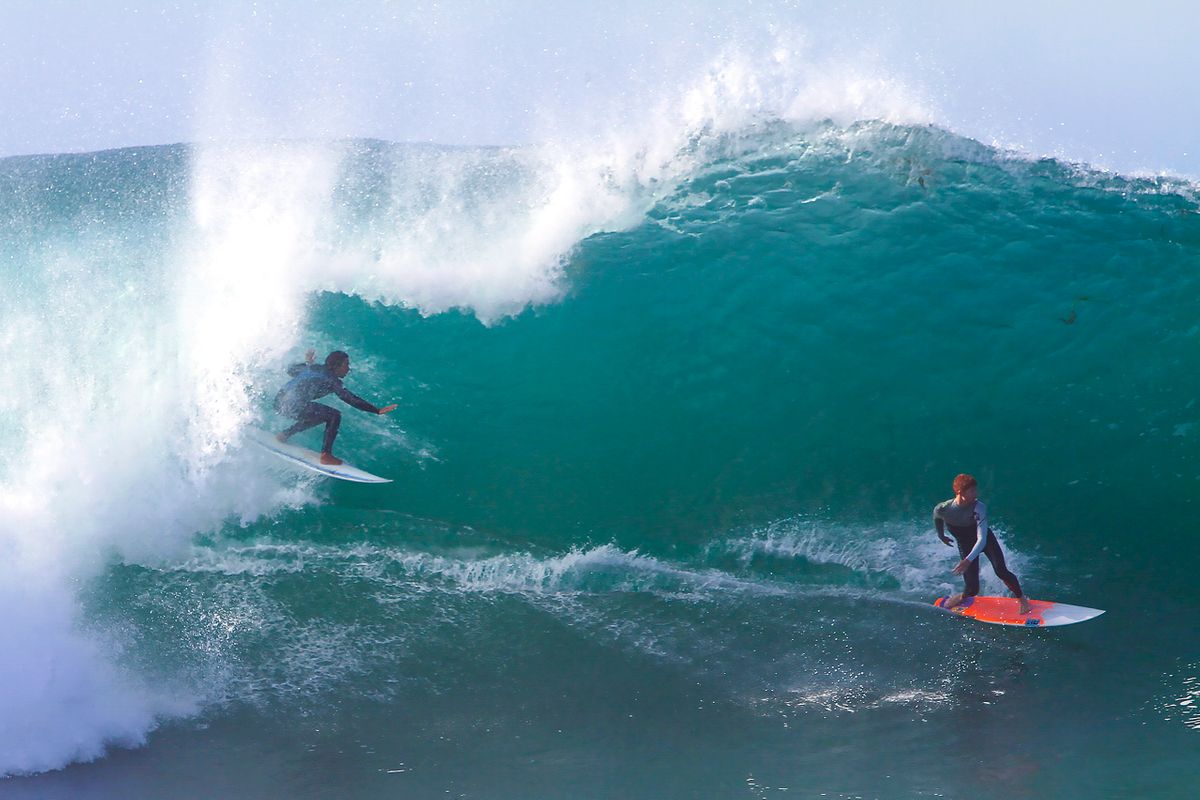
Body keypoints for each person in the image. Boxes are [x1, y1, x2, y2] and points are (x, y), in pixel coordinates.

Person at [274, 349, 397, 465]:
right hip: (292, 405)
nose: (348, 368)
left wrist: (307, 362)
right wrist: (376, 410)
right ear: (336, 366)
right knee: (334, 415)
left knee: (320, 415)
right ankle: (326, 455)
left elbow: (290, 370)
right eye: (346, 364)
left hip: (279, 402)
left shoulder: (314, 367)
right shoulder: (332, 380)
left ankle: (284, 435)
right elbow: (350, 399)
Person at [933, 473, 1032, 614]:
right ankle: (961, 597)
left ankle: (1022, 599)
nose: (976, 494)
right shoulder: (944, 508)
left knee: (1001, 571)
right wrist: (941, 534)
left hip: (985, 540)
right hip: (965, 543)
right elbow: (936, 516)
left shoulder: (978, 507)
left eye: (976, 490)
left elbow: (982, 539)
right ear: (960, 492)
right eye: (972, 491)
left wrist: (967, 560)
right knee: (972, 589)